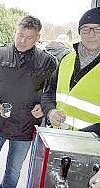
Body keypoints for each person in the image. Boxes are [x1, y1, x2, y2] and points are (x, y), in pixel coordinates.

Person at [0, 15, 57, 188]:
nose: (22, 41)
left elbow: (53, 93)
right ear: (15, 31)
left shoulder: (48, 61)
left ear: (38, 37)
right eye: (19, 35)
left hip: (25, 127)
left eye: (29, 37)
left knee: (13, 173)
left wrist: (44, 107)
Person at [42, 7, 100, 135]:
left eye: (97, 29)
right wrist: (50, 112)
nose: (91, 34)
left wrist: (86, 134)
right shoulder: (66, 60)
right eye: (85, 29)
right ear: (79, 33)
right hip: (60, 139)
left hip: (93, 148)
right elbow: (49, 94)